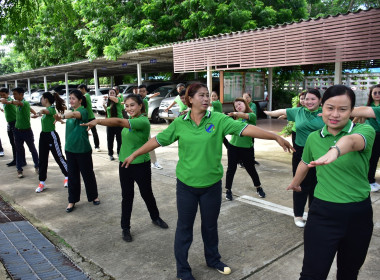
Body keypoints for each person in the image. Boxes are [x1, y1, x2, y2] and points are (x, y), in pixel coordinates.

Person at [123, 83, 294, 280]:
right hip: (186, 186)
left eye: (208, 96)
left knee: (210, 226)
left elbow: (246, 129)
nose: (206, 99)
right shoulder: (180, 123)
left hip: (211, 186)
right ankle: (183, 270)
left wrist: (274, 136)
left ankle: (213, 259)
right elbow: (158, 140)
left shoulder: (219, 119)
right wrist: (135, 154)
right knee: (184, 229)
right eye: (202, 96)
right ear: (190, 99)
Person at [287, 85, 375, 280]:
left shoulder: (364, 130)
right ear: (322, 108)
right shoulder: (313, 137)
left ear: (351, 111)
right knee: (312, 273)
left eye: (343, 109)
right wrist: (295, 183)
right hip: (322, 214)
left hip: (358, 215)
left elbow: (352, 141)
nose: (335, 114)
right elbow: (304, 162)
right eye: (330, 108)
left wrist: (334, 150)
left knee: (348, 273)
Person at [81, 94, 168, 242]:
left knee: (146, 193)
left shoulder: (143, 121)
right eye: (126, 106)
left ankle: (155, 217)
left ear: (141, 105)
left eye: (132, 105)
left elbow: (119, 121)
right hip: (124, 165)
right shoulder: (132, 120)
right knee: (127, 197)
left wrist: (98, 120)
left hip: (141, 164)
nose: (129, 108)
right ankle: (125, 228)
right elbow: (120, 121)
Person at [265, 89, 324, 228]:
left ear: (320, 100)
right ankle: (298, 215)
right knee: (300, 184)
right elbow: (280, 111)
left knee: (317, 184)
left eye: (313, 99)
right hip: (301, 152)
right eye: (306, 99)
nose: (308, 102)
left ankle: (314, 214)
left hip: (321, 153)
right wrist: (267, 113)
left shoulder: (325, 112)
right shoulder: (298, 112)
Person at [54, 89, 100, 213]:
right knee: (72, 176)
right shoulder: (70, 112)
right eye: (70, 98)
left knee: (88, 174)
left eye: (73, 98)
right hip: (70, 149)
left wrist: (62, 115)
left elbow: (75, 116)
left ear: (80, 100)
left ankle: (93, 196)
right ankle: (72, 200)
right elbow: (70, 119)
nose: (71, 100)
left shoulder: (83, 111)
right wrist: (60, 119)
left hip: (82, 149)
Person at [225, 97, 264, 201]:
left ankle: (258, 187)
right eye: (236, 105)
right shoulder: (235, 118)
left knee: (251, 169)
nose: (238, 106)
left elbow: (245, 115)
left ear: (245, 104)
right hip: (233, 147)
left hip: (247, 148)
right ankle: (228, 190)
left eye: (240, 104)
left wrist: (234, 114)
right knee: (231, 169)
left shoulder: (251, 116)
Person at [32, 92, 68, 193]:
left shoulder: (51, 109)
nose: (41, 100)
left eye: (42, 98)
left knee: (59, 157)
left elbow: (44, 111)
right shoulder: (48, 110)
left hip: (51, 136)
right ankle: (42, 182)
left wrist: (38, 113)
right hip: (43, 136)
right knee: (42, 160)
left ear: (46, 99)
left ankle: (68, 175)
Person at [3, 87, 39, 178]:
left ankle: (37, 166)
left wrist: (8, 102)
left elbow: (19, 103)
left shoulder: (24, 103)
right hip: (17, 131)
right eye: (13, 94)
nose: (13, 96)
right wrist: (35, 113)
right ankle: (19, 169)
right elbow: (26, 107)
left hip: (27, 131)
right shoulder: (19, 104)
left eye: (15, 94)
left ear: (21, 95)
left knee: (32, 149)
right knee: (18, 150)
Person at [137, 84, 163, 170]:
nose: (141, 93)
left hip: (144, 124)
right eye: (140, 91)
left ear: (146, 92)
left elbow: (148, 97)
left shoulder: (143, 100)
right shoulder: (138, 100)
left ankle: (154, 162)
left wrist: (154, 95)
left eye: (143, 91)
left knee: (149, 143)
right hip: (135, 124)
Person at [360, 84, 380, 192]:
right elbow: (360, 120)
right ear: (371, 94)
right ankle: (369, 180)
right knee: (372, 158)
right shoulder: (368, 107)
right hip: (372, 135)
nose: (377, 95)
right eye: (374, 92)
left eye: (379, 92)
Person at [0, 87, 22, 166]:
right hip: (9, 123)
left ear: (8, 94)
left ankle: (20, 160)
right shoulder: (5, 101)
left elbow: (5, 101)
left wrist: (3, 100)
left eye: (4, 95)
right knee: (13, 143)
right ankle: (16, 159)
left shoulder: (9, 100)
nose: (2, 96)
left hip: (14, 123)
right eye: (1, 95)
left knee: (16, 143)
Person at [77, 84, 100, 152]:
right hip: (85, 117)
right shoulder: (84, 96)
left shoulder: (86, 95)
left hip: (90, 117)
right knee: (84, 132)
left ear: (83, 88)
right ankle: (85, 145)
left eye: (80, 90)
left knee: (94, 132)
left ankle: (97, 146)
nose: (79, 91)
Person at [103, 89, 123, 161]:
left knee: (119, 140)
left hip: (118, 123)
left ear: (115, 94)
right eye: (110, 93)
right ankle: (110, 154)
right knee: (110, 140)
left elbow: (115, 100)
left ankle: (119, 153)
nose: (111, 94)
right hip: (110, 123)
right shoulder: (108, 102)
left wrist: (108, 97)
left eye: (113, 93)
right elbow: (107, 112)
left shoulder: (118, 99)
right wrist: (104, 105)